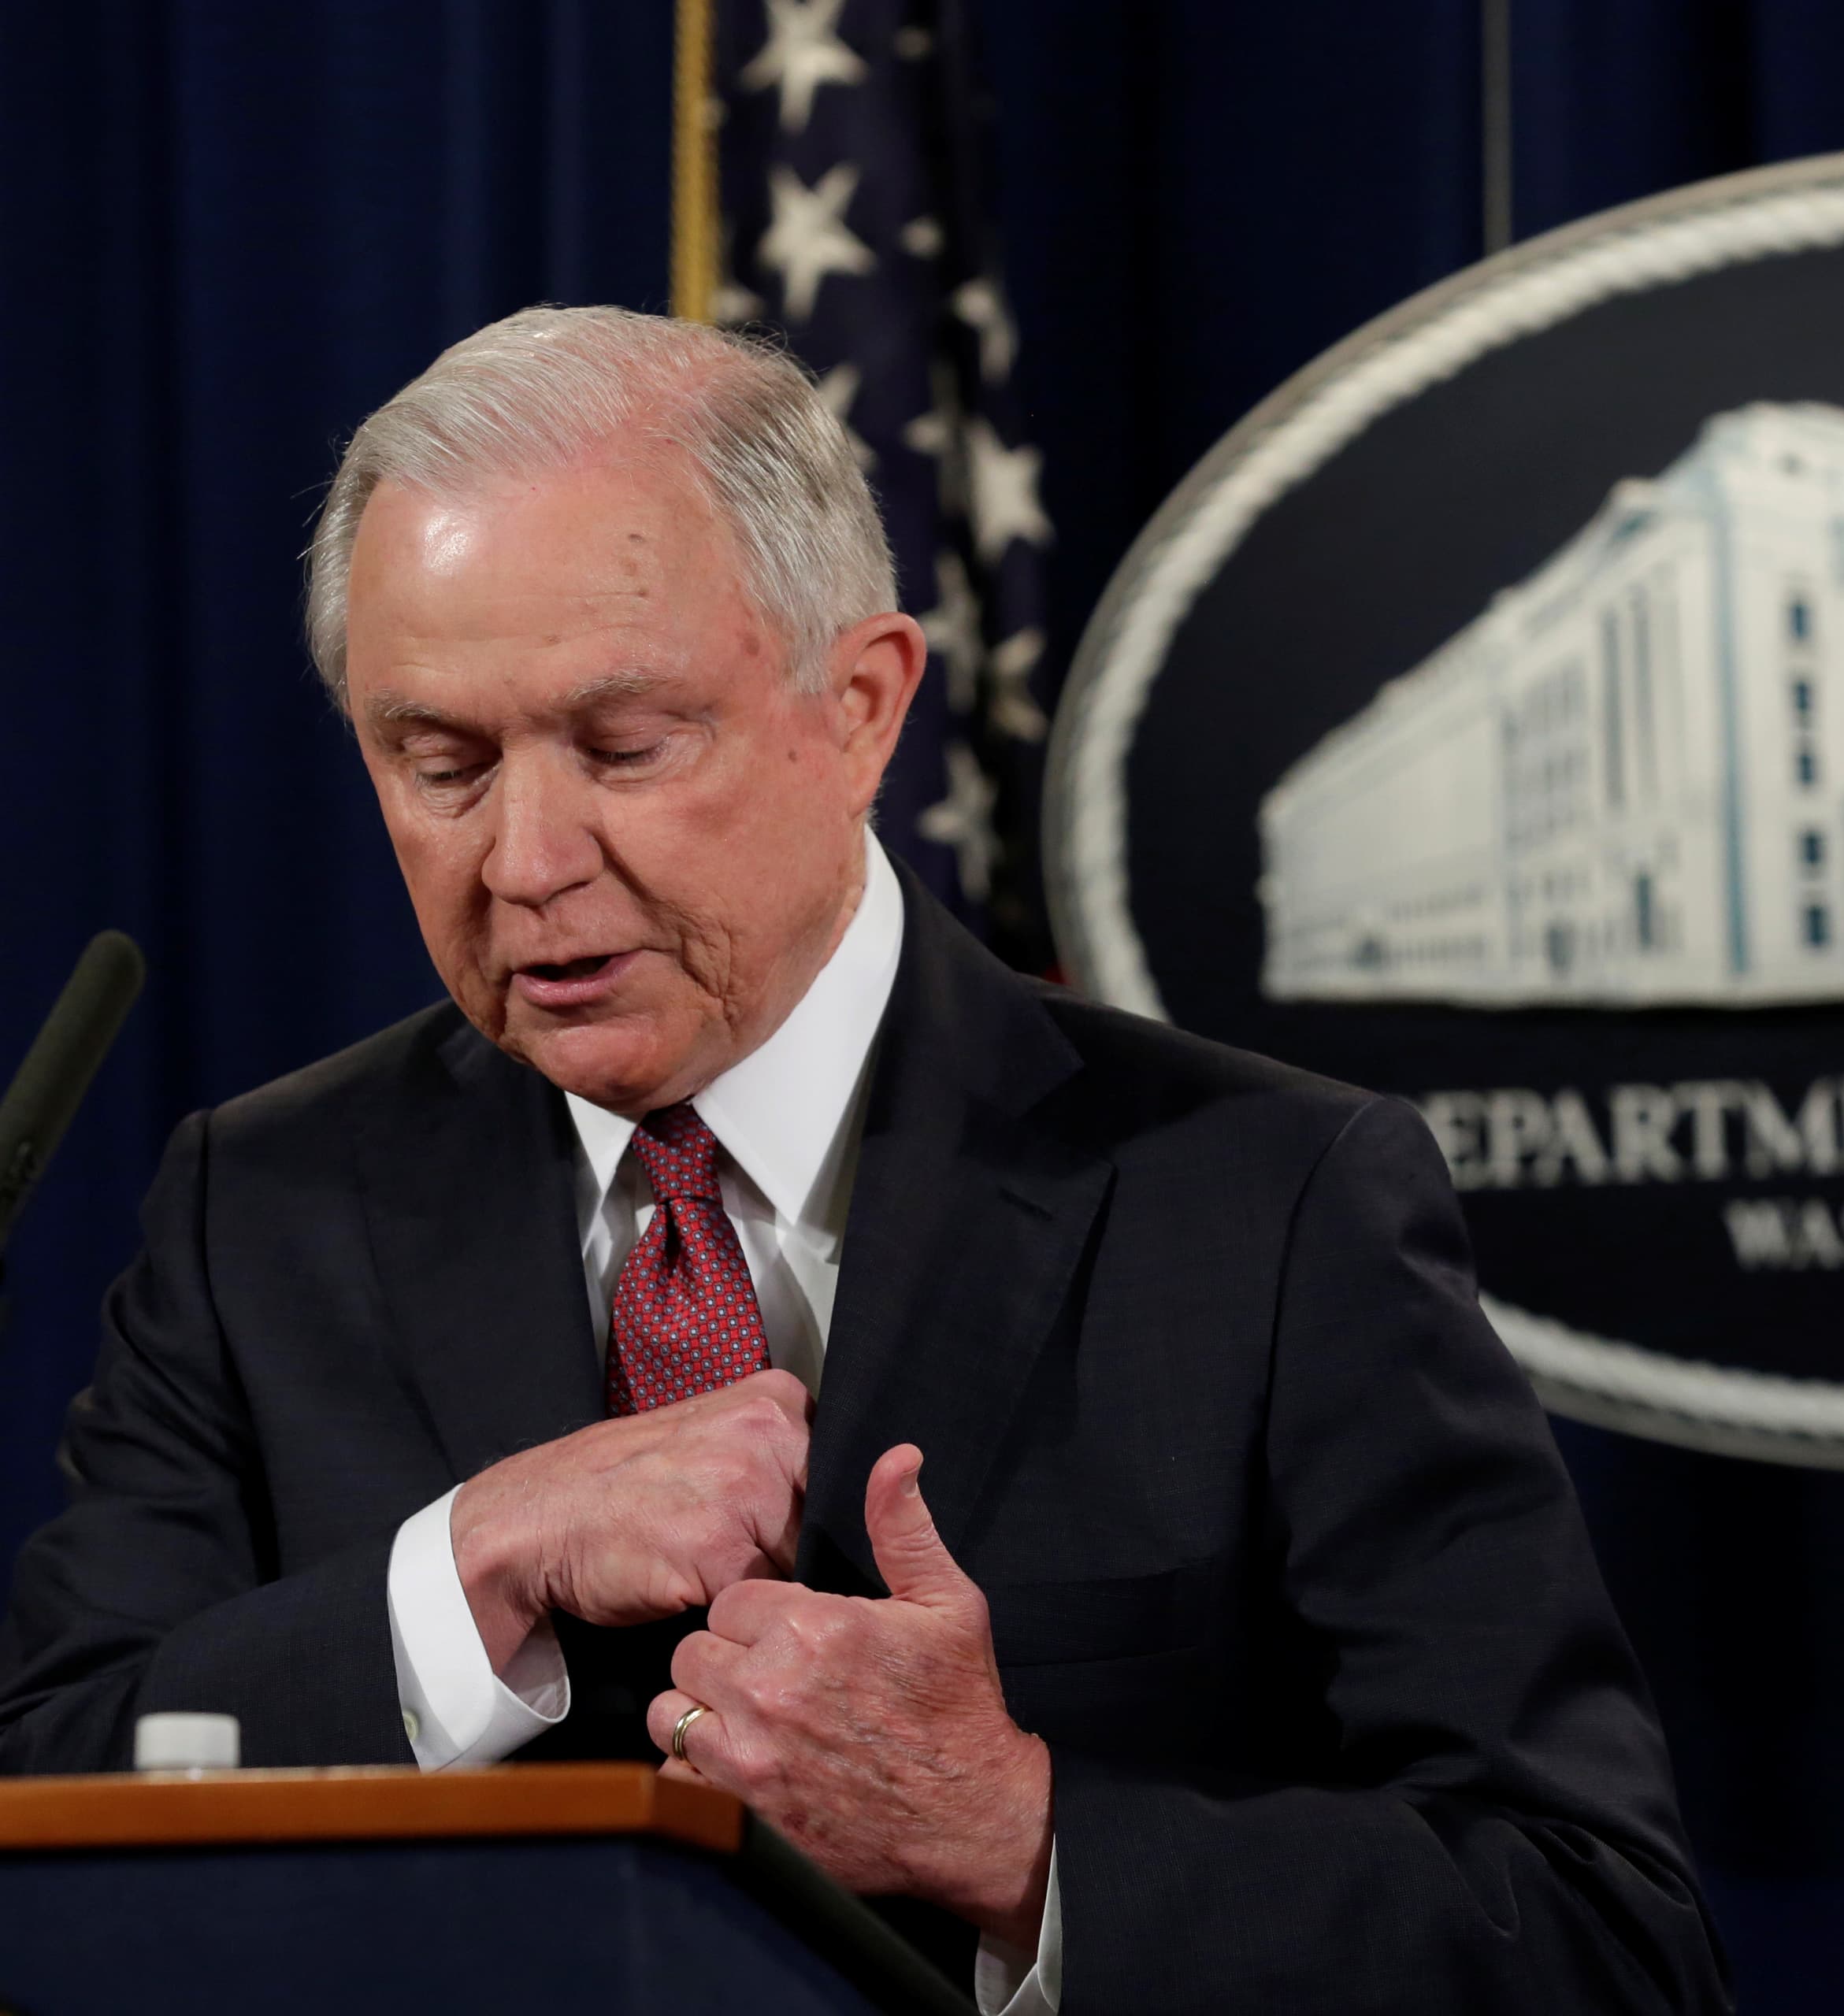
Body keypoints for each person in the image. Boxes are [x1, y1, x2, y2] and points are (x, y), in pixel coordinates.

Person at [0, 306, 1728, 2014]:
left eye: (624, 746)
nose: (525, 859)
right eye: (437, 761)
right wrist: (468, 1567)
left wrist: (1023, 1833)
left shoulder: (1262, 1204)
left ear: (862, 708)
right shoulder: (264, 1208)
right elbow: (56, 1793)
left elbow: (1600, 1940)